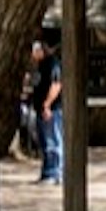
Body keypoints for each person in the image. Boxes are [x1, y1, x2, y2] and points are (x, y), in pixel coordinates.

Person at [23, 29, 65, 184]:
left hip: (51, 109)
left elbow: (56, 84)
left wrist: (47, 104)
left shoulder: (53, 64)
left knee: (53, 140)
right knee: (44, 141)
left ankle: (55, 173)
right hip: (41, 108)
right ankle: (47, 172)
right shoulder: (41, 65)